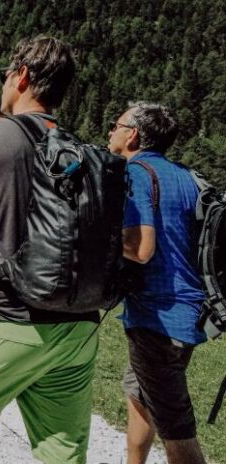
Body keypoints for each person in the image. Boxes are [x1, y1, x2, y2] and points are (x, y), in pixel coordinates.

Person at [0, 36, 100, 464]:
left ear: (23, 76)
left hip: (6, 318)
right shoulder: (84, 150)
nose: (3, 83)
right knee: (61, 453)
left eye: (5, 75)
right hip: (78, 327)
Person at [108, 102, 207, 464]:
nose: (110, 132)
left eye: (115, 125)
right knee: (140, 394)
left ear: (132, 134)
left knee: (177, 430)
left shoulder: (135, 172)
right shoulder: (188, 176)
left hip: (158, 321)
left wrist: (96, 236)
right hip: (189, 314)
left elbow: (140, 248)